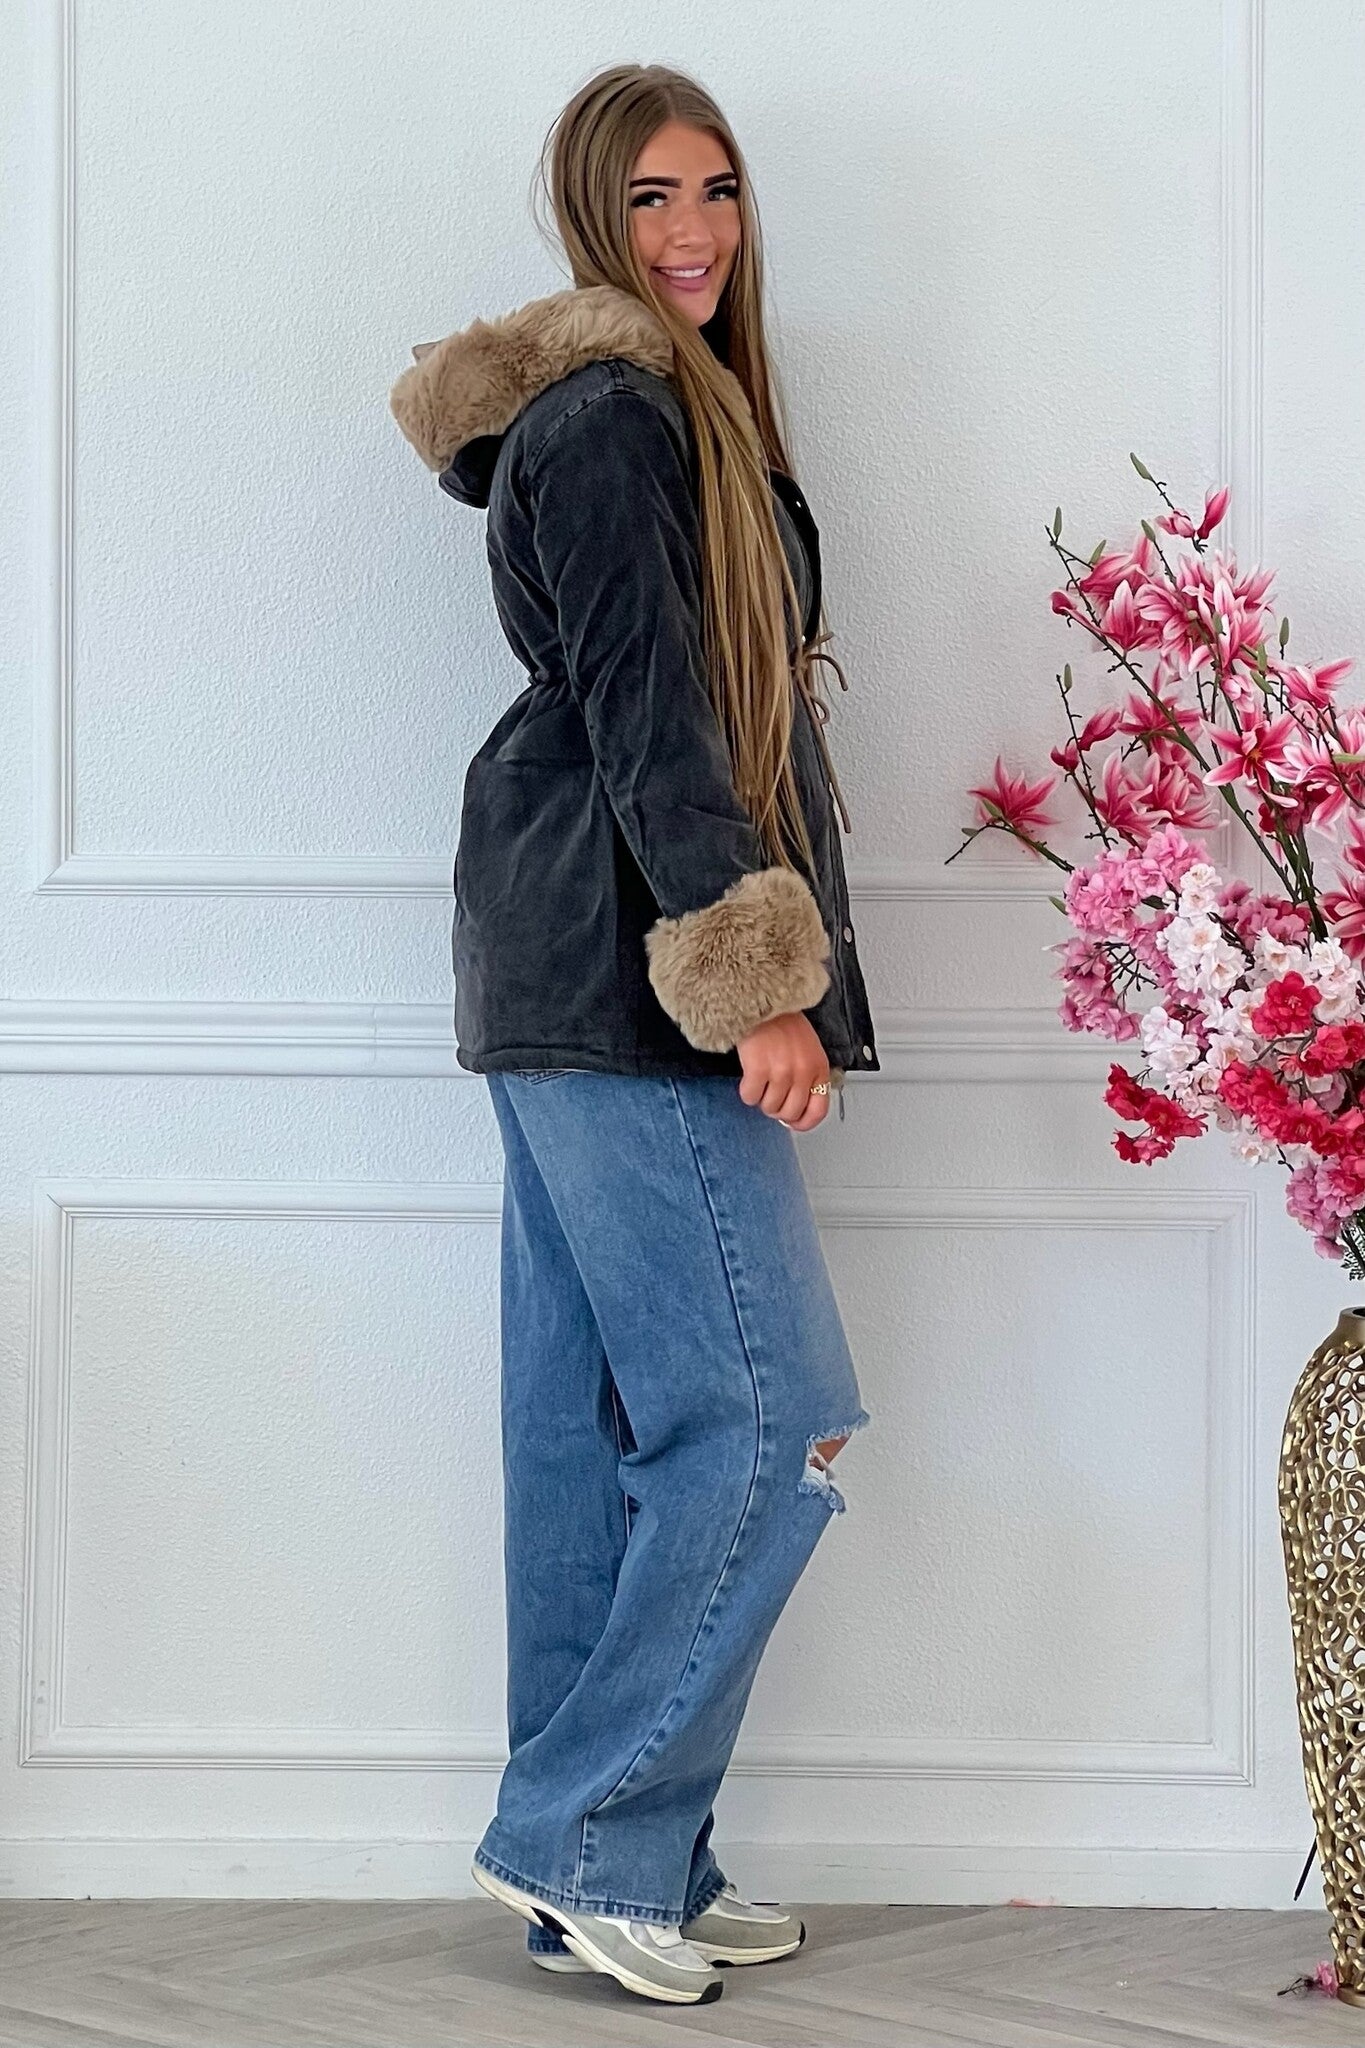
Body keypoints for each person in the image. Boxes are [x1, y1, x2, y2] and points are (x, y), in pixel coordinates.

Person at [389, 61, 879, 2009]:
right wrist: (754, 981)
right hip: (625, 968)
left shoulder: (673, 407)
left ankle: (624, 1862)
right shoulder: (610, 418)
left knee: (592, 1436)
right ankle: (581, 1834)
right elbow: (650, 714)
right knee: (764, 1420)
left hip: (563, 959)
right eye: (652, 197)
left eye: (718, 191)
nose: (692, 231)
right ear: (593, 217)